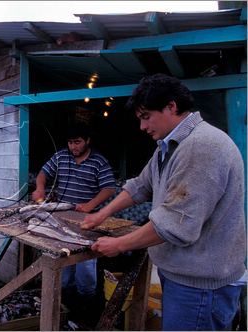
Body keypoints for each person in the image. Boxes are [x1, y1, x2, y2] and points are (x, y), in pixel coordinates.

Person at [82, 73, 246, 330]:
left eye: (146, 117)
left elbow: (174, 223)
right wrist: (101, 214)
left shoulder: (201, 146)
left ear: (171, 106)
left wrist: (119, 244)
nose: (142, 127)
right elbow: (141, 185)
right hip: (183, 278)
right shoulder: (168, 146)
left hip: (199, 288)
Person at [31, 121, 116, 299]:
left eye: (77, 142)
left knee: (85, 262)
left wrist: (90, 205)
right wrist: (40, 188)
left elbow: (109, 188)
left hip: (88, 220)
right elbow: (43, 174)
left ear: (87, 141)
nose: (73, 146)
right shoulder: (61, 156)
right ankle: (65, 296)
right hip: (62, 217)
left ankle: (86, 298)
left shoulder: (98, 161)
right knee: (63, 256)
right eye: (70, 142)